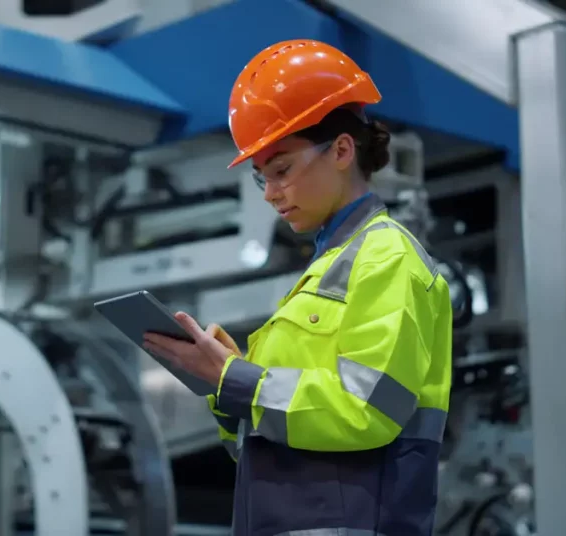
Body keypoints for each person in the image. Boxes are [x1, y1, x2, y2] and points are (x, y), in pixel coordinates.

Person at [142, 40, 453, 536]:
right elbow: (269, 444)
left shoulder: (385, 258)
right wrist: (224, 383)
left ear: (342, 151)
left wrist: (238, 380)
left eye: (281, 169)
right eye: (261, 176)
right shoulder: (331, 268)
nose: (269, 193)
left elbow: (366, 410)